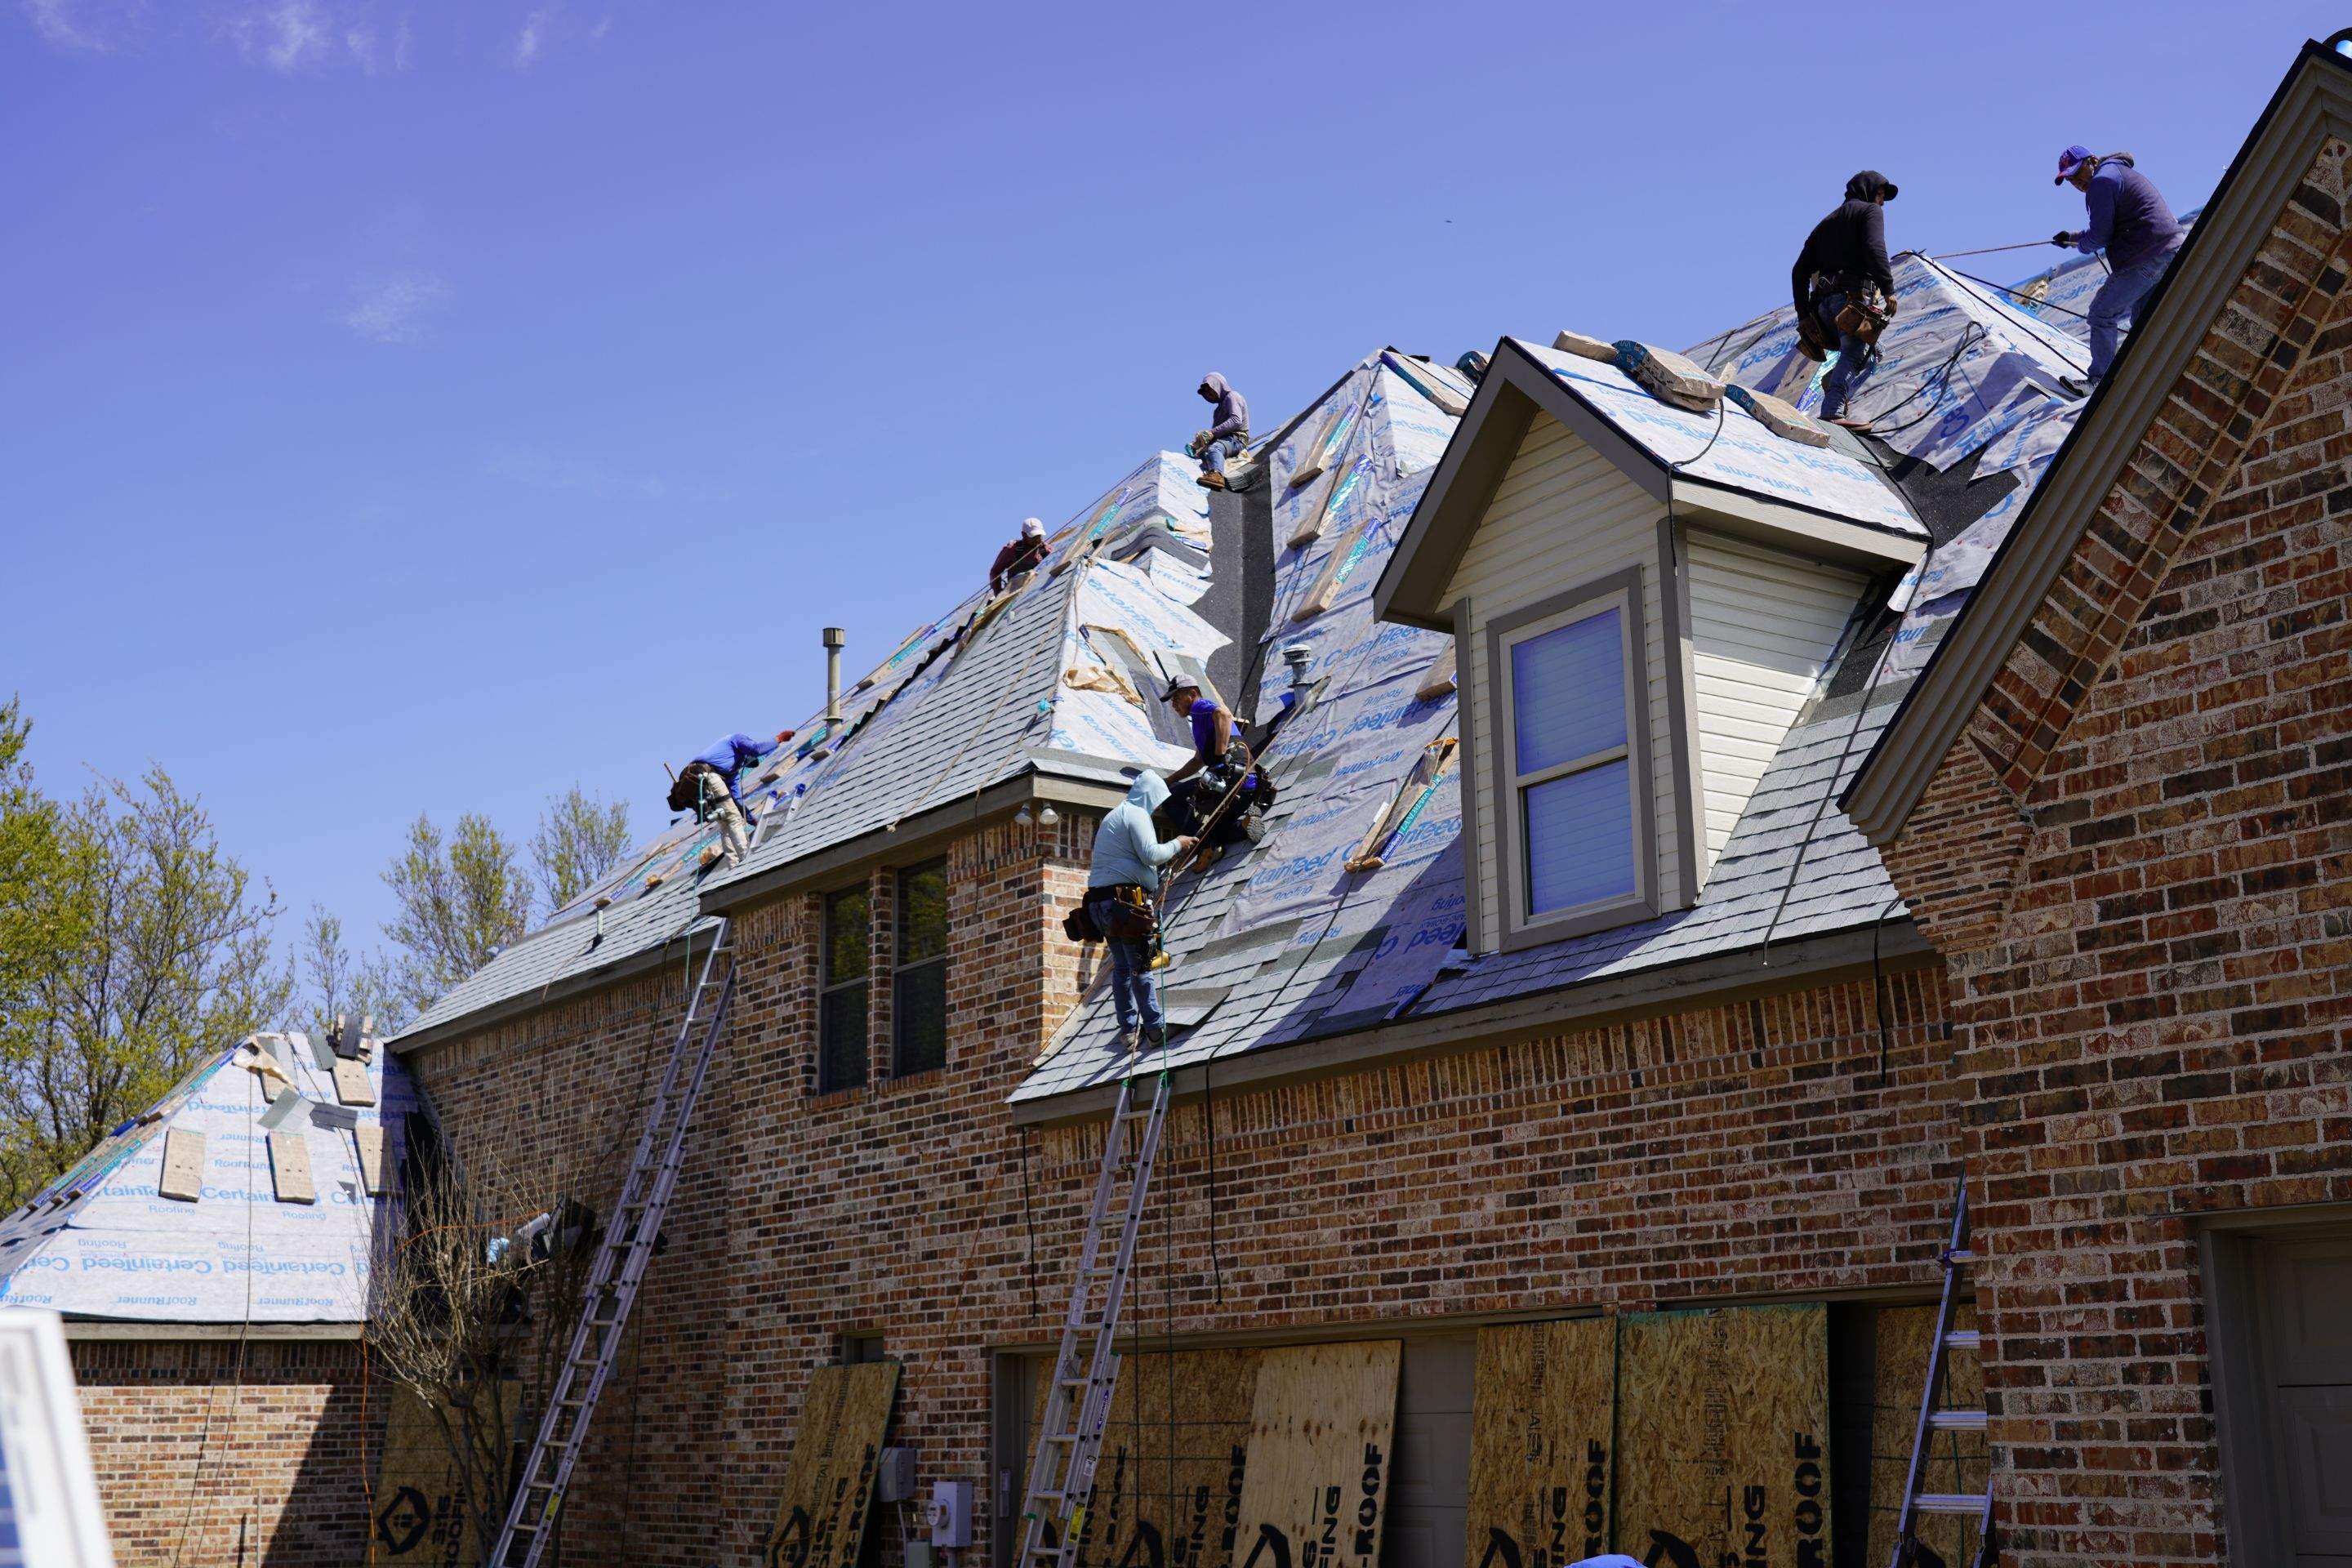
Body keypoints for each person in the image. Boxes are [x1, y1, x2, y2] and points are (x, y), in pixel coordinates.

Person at [2052, 145, 2186, 384]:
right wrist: (2072, 238)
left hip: (2147, 256)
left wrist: (2081, 245)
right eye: (2071, 179)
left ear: (2092, 161)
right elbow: (2107, 228)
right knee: (2144, 322)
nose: (2077, 182)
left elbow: (2100, 236)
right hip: (2168, 251)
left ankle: (2098, 381)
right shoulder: (2114, 173)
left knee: (2102, 313)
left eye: (2078, 173)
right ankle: (2161, 373)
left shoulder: (2101, 182)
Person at [1085, 771, 1195, 1052]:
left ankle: (1128, 1031)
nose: (1157, 808)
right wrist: (1178, 844)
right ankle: (1156, 1029)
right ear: (1150, 795)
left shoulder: (1114, 815)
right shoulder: (1135, 814)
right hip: (1124, 906)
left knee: (1121, 968)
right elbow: (1151, 855)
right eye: (1157, 802)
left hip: (1101, 906)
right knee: (1141, 966)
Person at [1790, 171, 1900, 427]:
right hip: (1851, 301)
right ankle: (1832, 412)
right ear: (1869, 190)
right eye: (1881, 195)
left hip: (1824, 311)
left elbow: (1799, 271)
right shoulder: (1870, 212)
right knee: (1854, 353)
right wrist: (1888, 289)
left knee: (1875, 352)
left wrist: (1804, 315)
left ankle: (1833, 381)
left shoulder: (1825, 224)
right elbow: (1875, 248)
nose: (1882, 202)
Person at [675, 731, 793, 867]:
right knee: (735, 820)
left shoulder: (731, 772)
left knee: (725, 822)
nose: (746, 761)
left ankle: (732, 864)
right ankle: (746, 857)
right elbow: (756, 750)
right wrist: (779, 739)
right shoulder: (737, 738)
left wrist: (752, 820)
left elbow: (737, 801)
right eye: (747, 759)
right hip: (704, 776)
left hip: (698, 782)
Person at [1192, 372, 1250, 491]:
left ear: (1218, 385)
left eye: (1210, 389)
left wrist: (1212, 433)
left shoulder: (1232, 396)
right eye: (1206, 393)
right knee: (1204, 453)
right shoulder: (1217, 411)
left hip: (1237, 439)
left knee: (1215, 449)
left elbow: (1236, 420)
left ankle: (1217, 475)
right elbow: (1214, 435)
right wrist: (1199, 444)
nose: (1209, 394)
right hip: (1225, 440)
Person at [989, 517, 1049, 593]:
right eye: (1033, 537)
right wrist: (998, 592)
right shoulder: (1012, 549)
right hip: (1014, 592)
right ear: (1023, 535)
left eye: (1039, 536)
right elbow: (995, 572)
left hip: (1036, 590)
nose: (1037, 540)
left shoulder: (1045, 550)